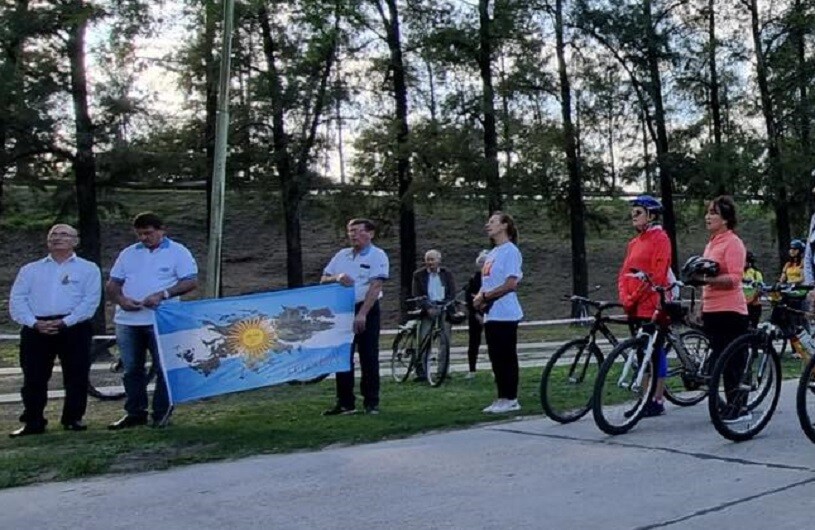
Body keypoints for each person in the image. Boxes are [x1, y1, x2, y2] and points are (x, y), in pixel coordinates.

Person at [7, 224, 101, 437]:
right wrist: (33, 323)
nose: (57, 238)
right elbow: (18, 299)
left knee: (76, 375)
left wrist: (66, 322)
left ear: (75, 241)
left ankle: (73, 418)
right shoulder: (30, 270)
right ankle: (33, 421)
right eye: (53, 234)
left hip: (74, 327)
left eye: (63, 234)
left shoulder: (88, 269)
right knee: (34, 377)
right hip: (36, 328)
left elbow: (90, 301)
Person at [107, 212, 199, 429]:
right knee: (132, 369)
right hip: (128, 320)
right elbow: (113, 284)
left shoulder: (178, 252)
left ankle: (161, 413)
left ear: (161, 230)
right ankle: (135, 412)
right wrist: (121, 300)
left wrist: (163, 294)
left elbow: (190, 281)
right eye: (139, 234)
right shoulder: (128, 253)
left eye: (148, 233)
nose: (144, 238)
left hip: (161, 319)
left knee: (163, 368)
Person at [321, 218, 389, 415]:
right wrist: (337, 277)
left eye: (358, 231)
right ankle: (345, 402)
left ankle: (371, 402)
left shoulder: (377, 255)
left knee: (369, 356)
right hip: (343, 310)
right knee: (343, 356)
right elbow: (323, 279)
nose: (353, 235)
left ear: (370, 234)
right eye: (350, 231)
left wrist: (362, 314)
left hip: (366, 308)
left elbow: (376, 286)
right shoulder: (341, 255)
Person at [693, 196, 749, 423]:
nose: (707, 217)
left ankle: (739, 407)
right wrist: (701, 305)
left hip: (730, 310)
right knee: (717, 361)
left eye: (713, 213)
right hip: (712, 309)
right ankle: (724, 405)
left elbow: (734, 278)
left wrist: (706, 280)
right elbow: (705, 279)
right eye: (707, 212)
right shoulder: (711, 244)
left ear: (725, 219)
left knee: (733, 362)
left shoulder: (733, 243)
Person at [617, 195, 672, 418]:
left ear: (651, 215)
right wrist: (626, 297)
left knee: (654, 352)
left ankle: (656, 399)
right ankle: (644, 398)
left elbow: (657, 275)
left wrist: (636, 295)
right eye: (632, 212)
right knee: (641, 353)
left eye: (638, 212)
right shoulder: (633, 243)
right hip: (634, 305)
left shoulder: (661, 238)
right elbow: (624, 273)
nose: (633, 216)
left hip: (652, 303)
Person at [473, 212, 523, 414]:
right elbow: (487, 281)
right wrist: (479, 297)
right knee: (496, 357)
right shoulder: (493, 253)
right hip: (491, 313)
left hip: (506, 313)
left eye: (492, 222)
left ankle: (511, 398)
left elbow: (510, 284)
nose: (488, 225)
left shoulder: (511, 251)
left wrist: (486, 297)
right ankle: (501, 397)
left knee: (506, 356)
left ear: (504, 226)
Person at [411, 249, 456, 381]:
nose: (430, 262)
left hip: (444, 308)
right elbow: (417, 295)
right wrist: (427, 308)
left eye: (433, 259)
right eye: (428, 260)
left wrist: (446, 305)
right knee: (424, 339)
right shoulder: (419, 275)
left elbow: (452, 293)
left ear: (439, 260)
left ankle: (443, 371)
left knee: (445, 341)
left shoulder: (447, 274)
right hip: (427, 310)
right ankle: (422, 372)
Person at [464, 250, 489, 379]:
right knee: (473, 343)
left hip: (490, 315)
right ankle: (472, 370)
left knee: (493, 343)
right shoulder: (473, 280)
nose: (482, 265)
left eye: (484, 262)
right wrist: (476, 314)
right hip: (475, 316)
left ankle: (496, 369)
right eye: (480, 262)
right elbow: (469, 299)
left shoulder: (493, 279)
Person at [742, 251, 763, 329]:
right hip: (741, 305)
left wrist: (751, 299)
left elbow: (760, 289)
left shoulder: (756, 273)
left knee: (753, 326)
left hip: (754, 305)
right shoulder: (739, 273)